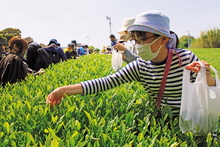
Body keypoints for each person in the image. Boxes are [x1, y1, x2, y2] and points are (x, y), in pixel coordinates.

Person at [46, 10, 216, 136]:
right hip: (163, 122)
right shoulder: (140, 66)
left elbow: (210, 91)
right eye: (135, 39)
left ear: (164, 39)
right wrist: (64, 90)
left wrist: (206, 75)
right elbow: (106, 82)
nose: (138, 44)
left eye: (143, 38)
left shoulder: (185, 59)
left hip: (192, 121)